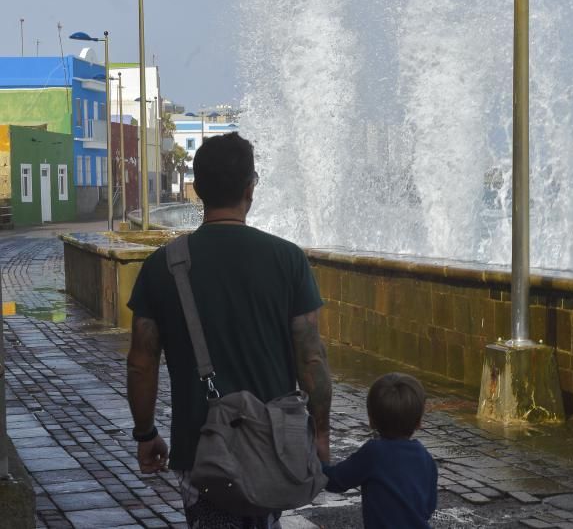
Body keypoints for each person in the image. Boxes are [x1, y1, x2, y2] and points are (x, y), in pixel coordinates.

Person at [126, 132, 332, 528]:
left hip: (200, 449)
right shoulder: (288, 260)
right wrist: (320, 434)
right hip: (275, 444)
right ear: (250, 188)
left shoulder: (162, 266)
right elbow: (311, 357)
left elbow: (141, 363)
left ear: (198, 189)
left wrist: (145, 433)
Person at [323, 372, 437, 529]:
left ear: (371, 420)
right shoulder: (426, 458)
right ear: (419, 423)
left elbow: (336, 481)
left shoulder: (374, 453)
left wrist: (315, 463)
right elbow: (429, 507)